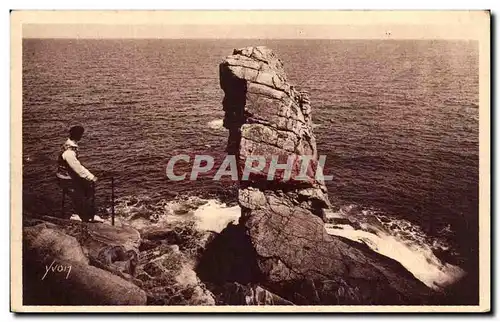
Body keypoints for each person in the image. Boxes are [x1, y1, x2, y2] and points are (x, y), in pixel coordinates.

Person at [56, 125, 98, 222]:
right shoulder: (69, 151)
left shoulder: (69, 145)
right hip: (66, 179)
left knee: (88, 189)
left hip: (67, 176)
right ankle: (78, 214)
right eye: (80, 134)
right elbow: (77, 167)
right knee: (81, 193)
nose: (81, 136)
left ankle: (86, 213)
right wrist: (91, 176)